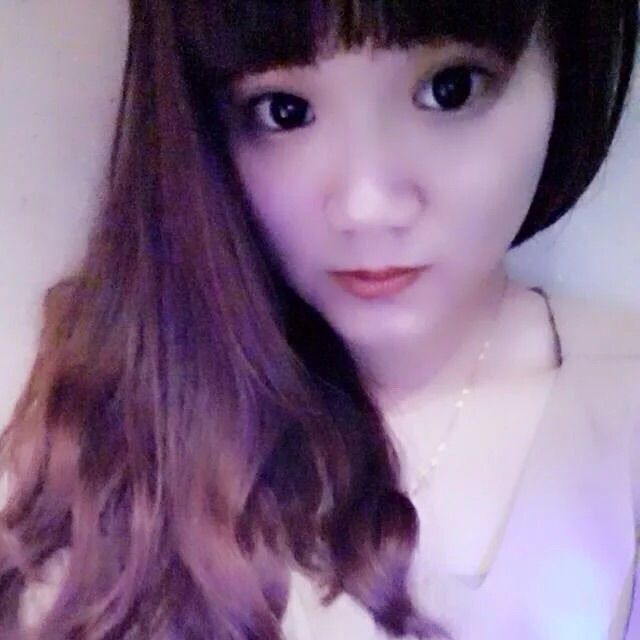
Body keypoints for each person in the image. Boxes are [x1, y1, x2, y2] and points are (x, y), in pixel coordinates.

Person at [1, 0, 639, 638]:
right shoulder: (114, 424)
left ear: (567, 71)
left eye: (450, 89)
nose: (366, 206)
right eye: (285, 111)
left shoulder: (620, 409)